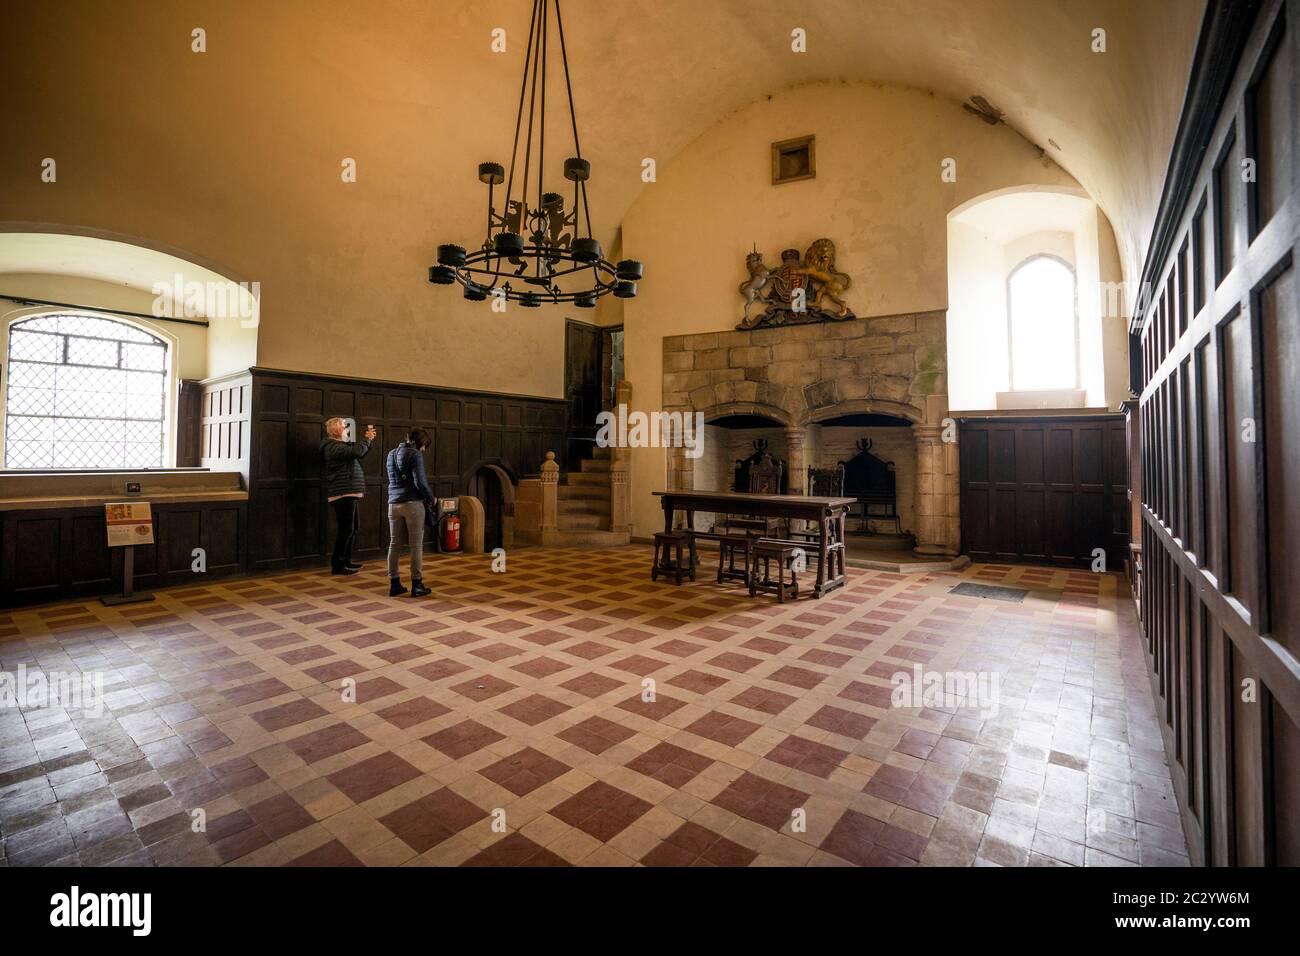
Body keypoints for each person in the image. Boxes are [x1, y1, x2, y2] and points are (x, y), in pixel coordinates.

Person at [320, 417, 376, 575]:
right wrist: (367, 439)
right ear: (336, 431)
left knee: (353, 528)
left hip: (349, 492)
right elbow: (358, 451)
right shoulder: (332, 446)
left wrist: (367, 441)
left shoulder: (339, 445)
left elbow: (358, 452)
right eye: (344, 427)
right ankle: (337, 565)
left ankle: (346, 560)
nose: (347, 430)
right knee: (346, 529)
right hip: (342, 493)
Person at [385, 428, 435, 597]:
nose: (423, 451)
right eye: (424, 447)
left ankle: (394, 584)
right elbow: (420, 482)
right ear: (421, 443)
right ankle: (417, 584)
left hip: (393, 504)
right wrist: (430, 498)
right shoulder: (415, 454)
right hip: (412, 504)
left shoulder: (391, 454)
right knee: (416, 546)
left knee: (394, 544)